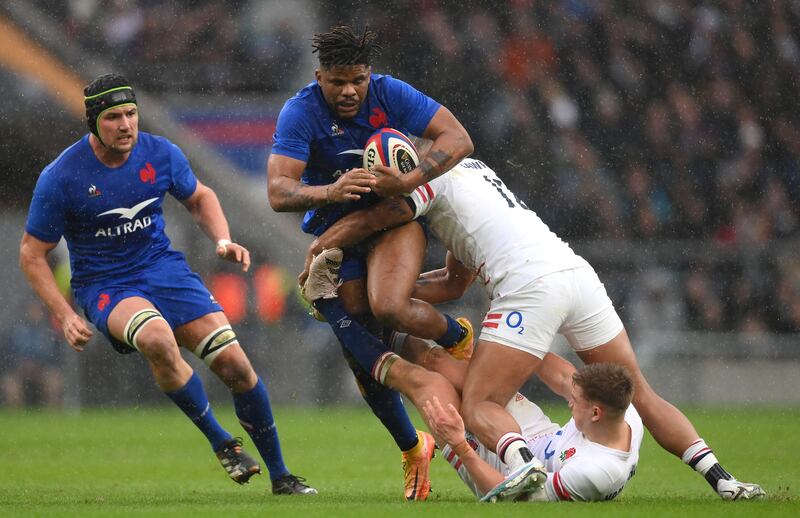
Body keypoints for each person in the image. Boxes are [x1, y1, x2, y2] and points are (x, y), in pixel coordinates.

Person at [300, 157, 765, 501]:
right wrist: (394, 301)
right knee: (637, 390)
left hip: (529, 286)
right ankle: (723, 480)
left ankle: (523, 466)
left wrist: (322, 247)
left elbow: (378, 218)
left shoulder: (425, 182)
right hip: (574, 273)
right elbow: (454, 282)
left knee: (478, 402)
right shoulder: (475, 171)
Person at [19, 73, 315, 495]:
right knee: (156, 337)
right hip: (106, 283)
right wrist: (65, 315)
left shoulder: (160, 153)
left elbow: (200, 197)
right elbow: (32, 253)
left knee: (236, 367)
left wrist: (222, 239)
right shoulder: (62, 176)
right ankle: (221, 441)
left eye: (131, 113)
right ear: (93, 122)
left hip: (164, 270)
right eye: (114, 117)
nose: (126, 124)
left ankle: (282, 476)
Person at [267, 25, 474, 500]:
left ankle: (455, 336)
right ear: (319, 77)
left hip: (392, 219)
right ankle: (412, 447)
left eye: (357, 80)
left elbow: (459, 137)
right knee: (361, 356)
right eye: (338, 81)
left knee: (388, 307)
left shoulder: (389, 93)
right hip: (339, 232)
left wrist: (410, 180)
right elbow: (278, 191)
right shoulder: (300, 112)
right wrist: (329, 191)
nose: (349, 91)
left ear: (369, 74)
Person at [301, 251, 641, 502]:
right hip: (532, 427)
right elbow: (568, 381)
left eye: (576, 403)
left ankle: (330, 305)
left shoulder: (594, 473)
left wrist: (459, 445)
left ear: (596, 412)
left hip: (496, 465)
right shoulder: (626, 416)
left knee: (423, 382)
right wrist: (521, 336)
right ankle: (363, 311)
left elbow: (519, 497)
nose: (569, 403)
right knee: (436, 360)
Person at [1, 301, 64, 408]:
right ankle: (17, 415)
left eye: (37, 310)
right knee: (10, 386)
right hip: (19, 371)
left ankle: (52, 415)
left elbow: (53, 355)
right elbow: (9, 353)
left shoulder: (48, 332)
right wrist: (22, 365)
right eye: (32, 310)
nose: (35, 313)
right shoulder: (16, 331)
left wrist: (39, 365)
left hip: (43, 370)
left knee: (54, 383)